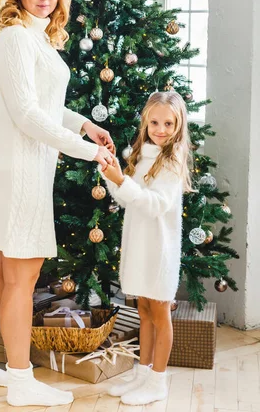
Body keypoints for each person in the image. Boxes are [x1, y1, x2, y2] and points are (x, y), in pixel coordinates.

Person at [0, 0, 115, 407]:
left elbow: (43, 105)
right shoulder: (14, 38)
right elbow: (26, 114)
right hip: (20, 170)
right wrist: (90, 151)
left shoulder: (37, 39)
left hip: (24, 166)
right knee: (21, 279)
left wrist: (85, 124)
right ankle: (20, 379)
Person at [100, 91, 191, 406]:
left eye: (168, 123)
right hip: (140, 245)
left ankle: (158, 380)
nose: (161, 129)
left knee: (160, 312)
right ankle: (144, 370)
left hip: (159, 249)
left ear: (178, 125)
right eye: (154, 122)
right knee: (144, 310)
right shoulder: (144, 155)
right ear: (145, 122)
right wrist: (114, 175)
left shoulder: (171, 161)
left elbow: (154, 204)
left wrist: (122, 182)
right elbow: (128, 198)